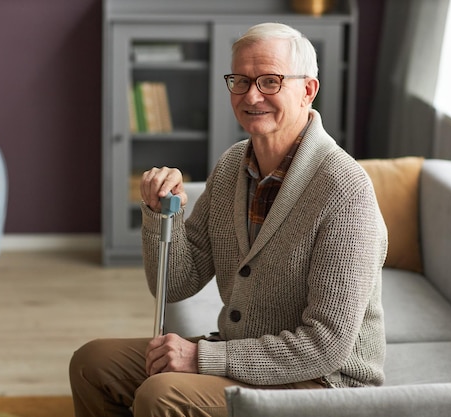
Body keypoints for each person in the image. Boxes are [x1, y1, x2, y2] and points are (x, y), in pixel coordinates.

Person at [69, 22, 387, 417]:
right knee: (92, 364)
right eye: (240, 80)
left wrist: (202, 358)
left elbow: (325, 345)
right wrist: (161, 213)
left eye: (270, 81)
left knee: (161, 395)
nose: (252, 95)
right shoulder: (233, 165)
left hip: (322, 382)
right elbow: (174, 283)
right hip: (244, 354)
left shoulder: (344, 190)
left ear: (307, 90)